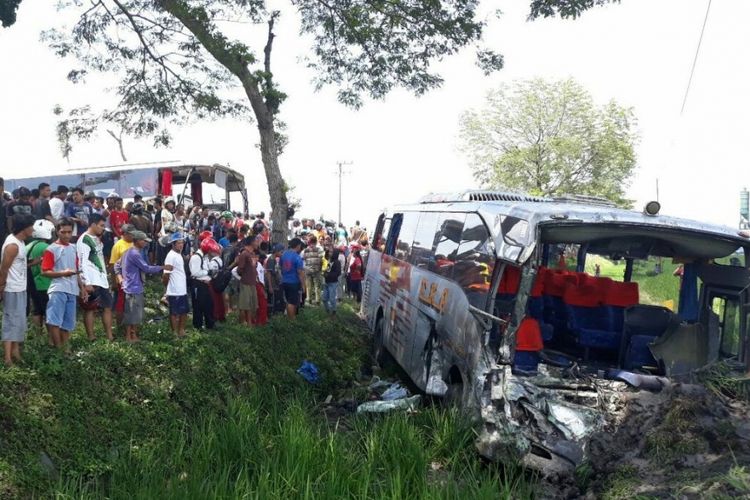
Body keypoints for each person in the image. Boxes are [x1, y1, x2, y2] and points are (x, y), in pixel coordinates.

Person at [42, 218, 86, 350]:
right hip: (58, 288)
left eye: (69, 232)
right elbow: (45, 271)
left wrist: (82, 288)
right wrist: (63, 273)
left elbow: (76, 270)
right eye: (63, 232)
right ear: (57, 232)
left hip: (72, 289)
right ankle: (59, 348)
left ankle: (65, 349)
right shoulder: (51, 249)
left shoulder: (73, 248)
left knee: (68, 323)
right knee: (55, 321)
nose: (67, 235)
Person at [0, 214, 36, 365]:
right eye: (31, 226)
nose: (33, 229)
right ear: (24, 228)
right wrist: (1, 287)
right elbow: (4, 269)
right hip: (12, 288)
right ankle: (7, 357)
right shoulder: (13, 246)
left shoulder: (20, 242)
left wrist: (32, 264)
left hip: (20, 287)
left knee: (19, 321)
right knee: (11, 321)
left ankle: (15, 351)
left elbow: (17, 266)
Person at [116, 231, 163, 342]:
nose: (146, 243)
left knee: (134, 313)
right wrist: (162, 267)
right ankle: (129, 336)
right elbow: (146, 268)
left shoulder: (128, 252)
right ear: (137, 241)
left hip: (133, 286)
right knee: (133, 313)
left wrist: (120, 278)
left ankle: (133, 335)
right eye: (144, 241)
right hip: (133, 287)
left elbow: (117, 266)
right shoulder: (135, 254)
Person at [77, 213, 114, 341]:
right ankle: (91, 337)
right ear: (93, 224)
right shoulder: (84, 239)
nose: (103, 228)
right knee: (90, 309)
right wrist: (86, 282)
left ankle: (109, 336)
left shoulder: (97, 239)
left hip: (102, 278)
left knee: (107, 307)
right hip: (91, 279)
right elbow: (82, 262)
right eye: (101, 226)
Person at [26, 219, 55, 341]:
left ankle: (37, 338)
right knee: (48, 311)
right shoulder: (47, 247)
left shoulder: (27, 246)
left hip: (31, 283)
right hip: (44, 283)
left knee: (37, 310)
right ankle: (51, 338)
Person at [162, 232, 189, 338]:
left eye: (182, 243)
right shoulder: (170, 256)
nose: (181, 245)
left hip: (182, 288)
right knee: (174, 312)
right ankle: (174, 333)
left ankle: (181, 330)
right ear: (173, 244)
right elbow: (165, 275)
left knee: (184, 311)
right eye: (178, 243)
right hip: (174, 289)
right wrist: (167, 287)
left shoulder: (178, 254)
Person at [190, 237, 218, 330]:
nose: (211, 253)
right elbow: (195, 272)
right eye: (210, 250)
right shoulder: (196, 257)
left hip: (205, 284)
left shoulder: (204, 257)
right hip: (198, 284)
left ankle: (210, 324)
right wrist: (208, 272)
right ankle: (197, 326)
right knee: (198, 306)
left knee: (208, 305)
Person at [280, 238, 306, 319]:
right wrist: (303, 285)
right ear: (298, 246)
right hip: (294, 282)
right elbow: (300, 272)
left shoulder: (283, 255)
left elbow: (281, 266)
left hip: (284, 280)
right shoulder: (297, 257)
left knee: (289, 301)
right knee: (292, 302)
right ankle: (291, 320)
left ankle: (290, 317)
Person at [236, 237, 258, 326]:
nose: (258, 243)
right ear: (251, 243)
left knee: (252, 304)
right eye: (256, 241)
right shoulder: (244, 254)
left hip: (252, 282)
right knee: (245, 305)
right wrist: (245, 275)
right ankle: (246, 323)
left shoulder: (252, 254)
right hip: (246, 283)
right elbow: (239, 269)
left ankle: (250, 322)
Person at [303, 235, 324, 306]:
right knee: (317, 286)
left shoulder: (305, 250)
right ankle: (318, 300)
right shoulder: (319, 249)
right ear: (316, 241)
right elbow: (322, 259)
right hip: (317, 270)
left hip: (308, 270)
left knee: (308, 286)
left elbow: (304, 258)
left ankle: (309, 299)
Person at [323, 248, 342, 315]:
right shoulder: (329, 261)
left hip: (333, 283)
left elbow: (338, 273)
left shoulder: (337, 262)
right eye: (329, 252)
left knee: (332, 298)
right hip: (327, 282)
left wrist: (328, 275)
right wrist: (325, 273)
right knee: (324, 298)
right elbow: (328, 270)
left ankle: (333, 311)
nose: (329, 253)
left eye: (331, 252)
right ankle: (327, 311)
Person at [253, 253, 268, 326]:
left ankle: (262, 321)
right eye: (255, 257)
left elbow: (262, 274)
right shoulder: (250, 265)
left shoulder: (259, 264)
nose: (257, 259)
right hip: (256, 285)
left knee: (262, 304)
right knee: (258, 305)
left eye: (257, 257)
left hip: (261, 285)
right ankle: (257, 322)